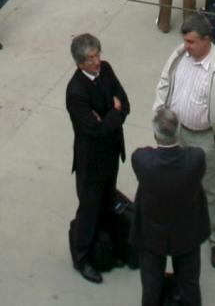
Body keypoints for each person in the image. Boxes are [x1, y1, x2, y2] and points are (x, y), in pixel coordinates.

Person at [152, 14, 215, 273]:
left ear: (207, 40)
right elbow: (164, 83)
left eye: (192, 42)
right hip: (177, 133)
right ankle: (183, 226)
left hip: (205, 137)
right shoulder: (179, 54)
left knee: (213, 190)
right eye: (185, 41)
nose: (187, 46)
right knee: (178, 185)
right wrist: (159, 113)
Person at [66, 33, 130, 285]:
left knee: (107, 202)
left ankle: (105, 249)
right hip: (90, 161)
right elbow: (95, 130)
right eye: (91, 58)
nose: (97, 61)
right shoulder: (76, 92)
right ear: (80, 63)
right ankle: (81, 257)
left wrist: (110, 116)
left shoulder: (107, 70)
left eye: (97, 55)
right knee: (89, 209)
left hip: (111, 152)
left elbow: (124, 103)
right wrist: (112, 114)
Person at [132, 105, 209, 306]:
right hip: (186, 232)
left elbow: (141, 153)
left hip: (152, 234)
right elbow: (194, 154)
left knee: (151, 284)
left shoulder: (143, 161)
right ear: (178, 131)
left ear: (155, 134)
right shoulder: (195, 159)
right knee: (190, 284)